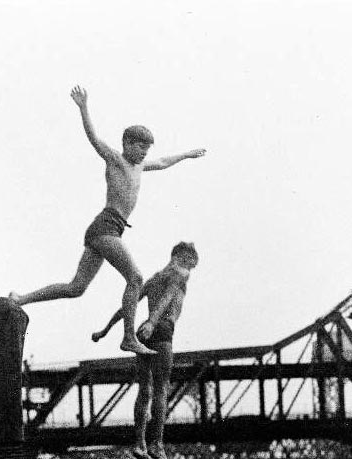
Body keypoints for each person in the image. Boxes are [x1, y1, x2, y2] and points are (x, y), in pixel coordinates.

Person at [10, 86, 206, 356]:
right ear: (126, 144)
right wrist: (83, 108)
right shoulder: (116, 160)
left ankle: (20, 299)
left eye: (147, 148)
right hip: (105, 227)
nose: (144, 153)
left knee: (76, 288)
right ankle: (128, 338)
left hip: (110, 230)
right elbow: (94, 138)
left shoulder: (140, 167)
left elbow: (162, 162)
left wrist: (185, 154)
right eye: (140, 147)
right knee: (135, 278)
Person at [92, 241, 199, 459]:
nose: (192, 269)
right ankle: (157, 444)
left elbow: (127, 306)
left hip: (143, 332)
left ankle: (139, 443)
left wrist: (105, 330)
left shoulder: (153, 279)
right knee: (161, 387)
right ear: (182, 256)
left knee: (144, 389)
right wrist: (152, 322)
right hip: (161, 330)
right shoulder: (180, 272)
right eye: (192, 262)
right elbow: (169, 297)